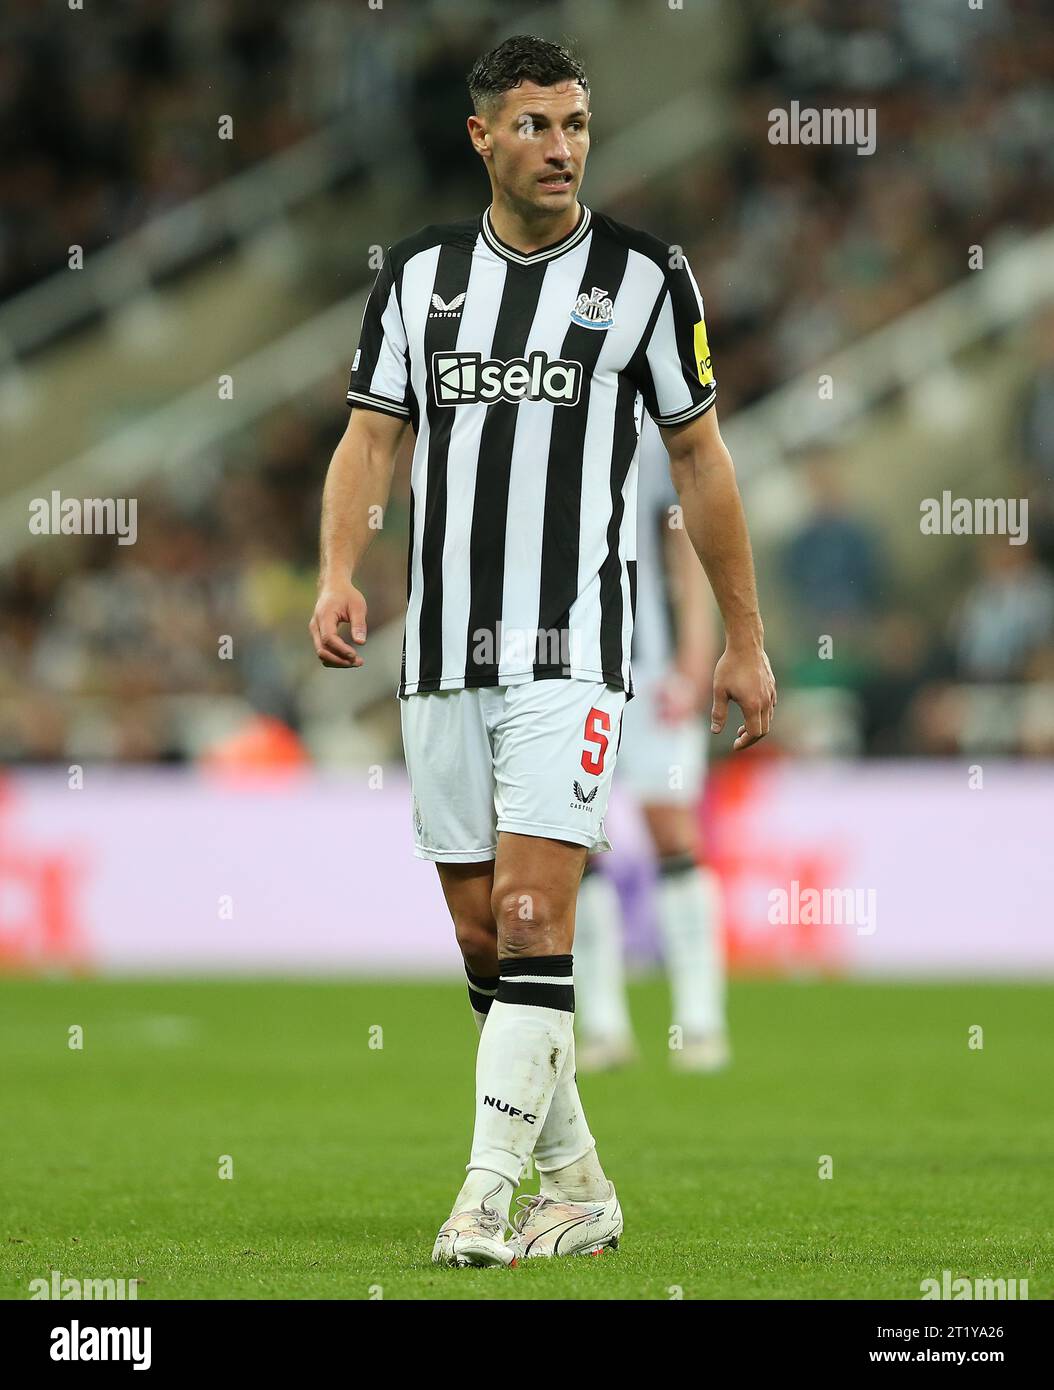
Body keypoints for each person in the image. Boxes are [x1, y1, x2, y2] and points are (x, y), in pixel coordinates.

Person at [310, 34, 775, 1268]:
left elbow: (699, 462)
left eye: (574, 124)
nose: (562, 147)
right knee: (482, 939)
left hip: (573, 648)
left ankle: (484, 1195)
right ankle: (579, 1186)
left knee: (531, 915)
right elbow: (369, 440)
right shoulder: (416, 279)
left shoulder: (643, 278)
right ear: (481, 137)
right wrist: (335, 570)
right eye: (534, 126)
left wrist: (743, 634)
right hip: (441, 655)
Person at [575, 414, 729, 1074]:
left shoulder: (647, 423)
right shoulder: (550, 411)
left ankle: (700, 1021)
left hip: (653, 663)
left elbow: (684, 538)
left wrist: (696, 649)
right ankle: (604, 1025)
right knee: (575, 838)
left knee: (672, 831)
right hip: (570, 667)